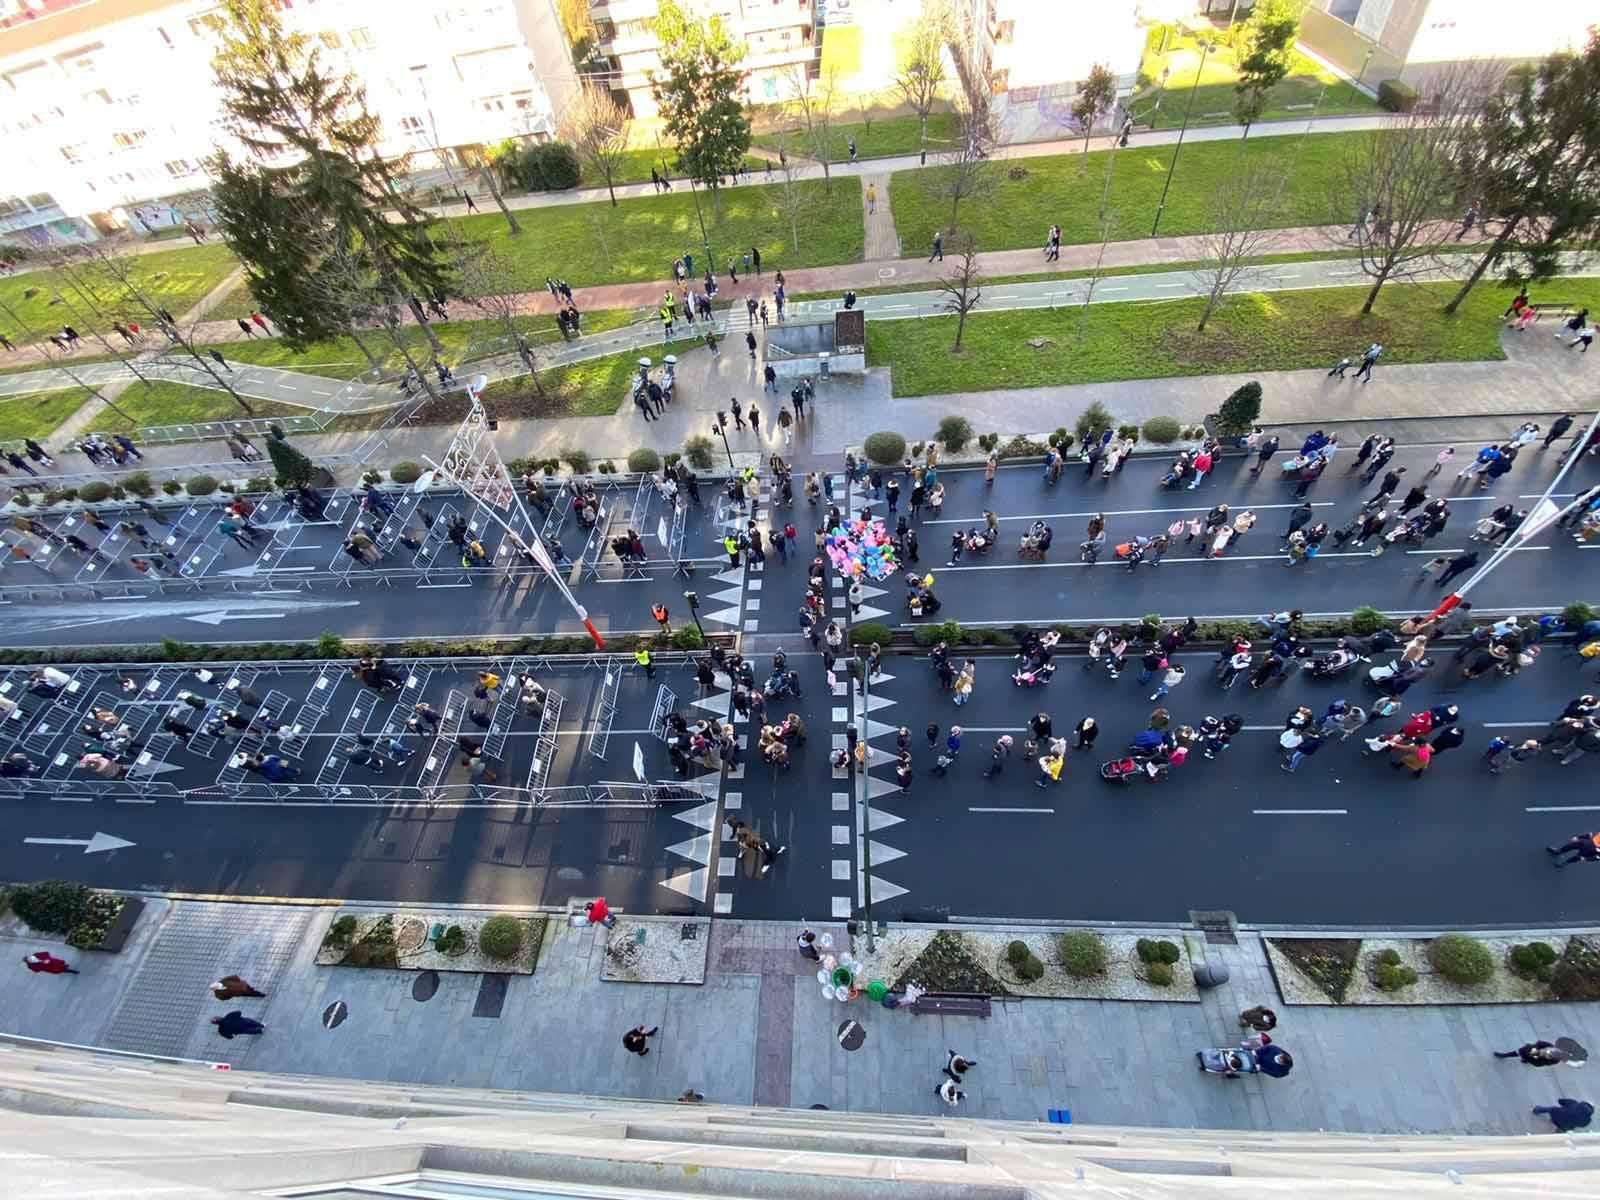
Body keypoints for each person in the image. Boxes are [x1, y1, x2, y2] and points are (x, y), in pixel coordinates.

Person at [1495, 1041, 1569, 1066]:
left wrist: (1532, 1058)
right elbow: (1540, 1043)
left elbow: (1540, 1063)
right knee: (1518, 1052)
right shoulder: (1550, 1046)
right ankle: (1505, 1055)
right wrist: (1534, 1048)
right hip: (1531, 1050)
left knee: (1524, 1056)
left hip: (1534, 1058)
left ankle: (1525, 1059)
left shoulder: (1555, 1061)